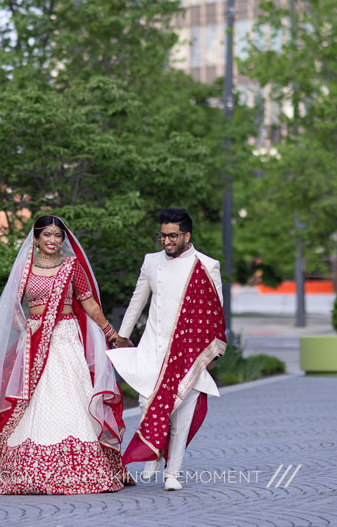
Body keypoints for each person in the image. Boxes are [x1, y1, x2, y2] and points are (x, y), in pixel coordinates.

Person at [0, 215, 134, 494]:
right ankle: (22, 468)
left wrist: (112, 334)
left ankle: (85, 468)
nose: (53, 241)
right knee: (33, 400)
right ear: (37, 238)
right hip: (34, 342)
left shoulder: (71, 266)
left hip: (65, 339)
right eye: (47, 235)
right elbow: (12, 308)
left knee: (70, 396)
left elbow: (88, 303)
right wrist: (26, 327)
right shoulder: (25, 267)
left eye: (58, 236)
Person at [107, 207, 227, 491]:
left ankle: (173, 473)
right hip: (154, 345)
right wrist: (123, 335)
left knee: (182, 411)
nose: (167, 241)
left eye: (173, 236)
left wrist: (214, 353)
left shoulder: (206, 265)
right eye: (163, 236)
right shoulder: (151, 262)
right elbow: (138, 300)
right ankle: (155, 450)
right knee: (146, 402)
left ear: (187, 235)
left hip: (189, 350)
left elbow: (215, 313)